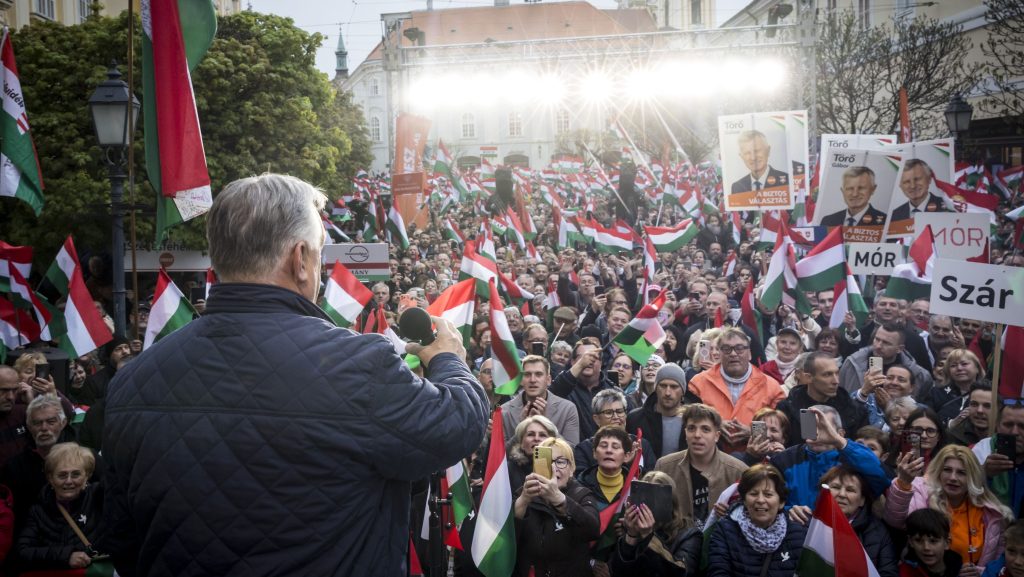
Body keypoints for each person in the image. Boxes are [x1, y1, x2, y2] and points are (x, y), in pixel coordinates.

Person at [102, 174, 490, 577]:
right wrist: (449, 360)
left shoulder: (134, 380)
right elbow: (457, 425)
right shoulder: (356, 364)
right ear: (299, 259)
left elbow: (121, 536)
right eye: (321, 253)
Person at [885, 444, 1011, 575]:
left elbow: (999, 562)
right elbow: (895, 520)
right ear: (939, 471)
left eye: (962, 473)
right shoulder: (921, 492)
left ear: (972, 477)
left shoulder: (992, 512)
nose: (953, 478)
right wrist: (903, 484)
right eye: (947, 470)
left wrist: (980, 573)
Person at [771, 405, 890, 514]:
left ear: (840, 433)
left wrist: (838, 440)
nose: (817, 433)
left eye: (824, 428)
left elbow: (882, 478)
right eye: (812, 427)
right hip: (798, 530)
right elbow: (769, 500)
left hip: (846, 529)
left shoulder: (853, 458)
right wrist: (788, 511)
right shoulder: (785, 460)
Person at [513, 437, 600, 577]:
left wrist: (558, 498)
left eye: (560, 462)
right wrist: (523, 500)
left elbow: (592, 530)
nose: (553, 468)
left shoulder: (582, 494)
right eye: (547, 462)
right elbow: (507, 538)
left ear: (572, 469)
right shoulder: (524, 493)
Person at [688, 328, 785, 452]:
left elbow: (782, 430)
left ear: (749, 353)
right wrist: (714, 424)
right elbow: (687, 419)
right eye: (727, 349)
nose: (733, 354)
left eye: (739, 348)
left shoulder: (772, 388)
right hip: (710, 457)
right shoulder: (698, 383)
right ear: (720, 353)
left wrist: (753, 432)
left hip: (755, 461)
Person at [654, 404, 748, 530]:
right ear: (685, 432)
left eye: (705, 429)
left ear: (717, 436)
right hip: (674, 544)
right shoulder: (665, 467)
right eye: (691, 428)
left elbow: (749, 517)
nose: (697, 435)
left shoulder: (738, 471)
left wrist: (731, 515)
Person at [17, 443, 107, 573]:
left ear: (86, 476)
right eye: (62, 475)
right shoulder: (38, 511)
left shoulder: (99, 497)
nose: (69, 481)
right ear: (50, 478)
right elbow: (23, 552)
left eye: (76, 474)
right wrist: (66, 556)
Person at [706, 464, 806, 577]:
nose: (760, 500)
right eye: (753, 494)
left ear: (781, 502)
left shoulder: (798, 534)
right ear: (744, 500)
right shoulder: (726, 530)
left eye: (768, 494)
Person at [2, 395, 78, 528]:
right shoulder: (14, 468)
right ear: (29, 426)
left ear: (63, 423)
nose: (44, 428)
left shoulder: (82, 458)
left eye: (51, 421)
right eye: (37, 423)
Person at [610, 471, 704, 577]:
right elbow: (618, 572)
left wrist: (649, 536)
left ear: (670, 502)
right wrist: (631, 535)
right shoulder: (635, 530)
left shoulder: (689, 535)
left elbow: (682, 573)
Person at [819, 465, 899, 577]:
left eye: (850, 490)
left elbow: (889, 572)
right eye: (836, 487)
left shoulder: (878, 532)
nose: (841, 494)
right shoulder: (808, 522)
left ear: (862, 500)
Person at [778, 352, 868, 446]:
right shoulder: (787, 409)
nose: (836, 381)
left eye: (837, 373)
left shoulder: (855, 410)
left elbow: (864, 450)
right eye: (827, 375)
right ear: (809, 377)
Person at [501, 355, 579, 445]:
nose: (533, 380)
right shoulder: (504, 411)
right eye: (527, 375)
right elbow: (501, 454)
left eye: (538, 374)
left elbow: (571, 450)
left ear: (548, 380)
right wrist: (522, 428)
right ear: (521, 380)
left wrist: (546, 425)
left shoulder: (567, 409)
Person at [573, 389, 656, 475]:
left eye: (620, 411)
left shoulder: (642, 444)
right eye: (609, 413)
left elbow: (651, 479)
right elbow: (581, 480)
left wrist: (633, 464)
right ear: (596, 419)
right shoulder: (584, 449)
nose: (616, 417)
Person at [551, 337, 619, 441]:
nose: (588, 361)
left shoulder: (614, 392)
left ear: (600, 363)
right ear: (573, 362)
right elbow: (552, 396)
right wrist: (580, 365)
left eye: (593, 357)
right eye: (582, 357)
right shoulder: (564, 387)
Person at [626, 363, 692, 461]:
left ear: (683, 391)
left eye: (674, 387)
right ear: (656, 388)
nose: (668, 393)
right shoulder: (635, 419)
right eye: (663, 386)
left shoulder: (692, 420)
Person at [972, 401, 1024, 516]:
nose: (1015, 432)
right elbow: (963, 495)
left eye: (1022, 426)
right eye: (1008, 425)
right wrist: (984, 474)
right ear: (997, 426)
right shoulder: (982, 450)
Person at [899, 508, 963, 577]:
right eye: (918, 540)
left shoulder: (961, 570)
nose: (926, 547)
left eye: (933, 541)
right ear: (910, 542)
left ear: (947, 543)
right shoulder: (904, 572)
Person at [820, 166, 888, 227]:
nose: (855, 194)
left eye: (861, 188)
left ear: (873, 189)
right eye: (850, 188)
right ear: (842, 191)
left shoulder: (886, 222)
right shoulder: (827, 221)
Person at [507, 415, 560, 492]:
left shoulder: (561, 466)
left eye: (542, 435)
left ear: (551, 441)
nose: (536, 438)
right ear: (521, 442)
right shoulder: (509, 469)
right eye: (530, 434)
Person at [729, 130, 789, 195]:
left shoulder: (787, 181)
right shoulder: (737, 187)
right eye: (747, 153)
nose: (753, 158)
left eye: (757, 151)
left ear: (768, 151)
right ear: (741, 156)